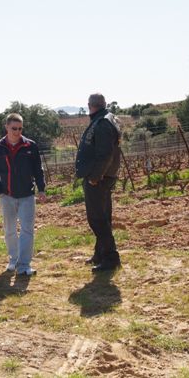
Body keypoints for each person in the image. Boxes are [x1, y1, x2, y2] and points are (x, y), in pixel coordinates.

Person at [0, 113, 46, 276]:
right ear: (6, 127)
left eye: (20, 129)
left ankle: (24, 265)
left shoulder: (30, 146)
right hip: (7, 196)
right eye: (14, 128)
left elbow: (38, 170)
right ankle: (13, 259)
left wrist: (41, 189)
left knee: (27, 230)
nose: (17, 132)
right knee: (10, 230)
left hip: (27, 195)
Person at [75, 93, 123, 273]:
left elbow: (105, 154)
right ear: (104, 104)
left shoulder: (102, 123)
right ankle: (100, 253)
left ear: (89, 105)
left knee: (97, 219)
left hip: (99, 178)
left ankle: (111, 258)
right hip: (105, 176)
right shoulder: (109, 119)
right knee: (103, 216)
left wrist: (95, 176)